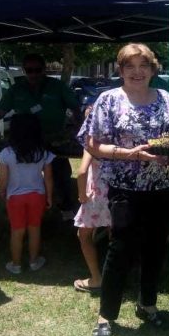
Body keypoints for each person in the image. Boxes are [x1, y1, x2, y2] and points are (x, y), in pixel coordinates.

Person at [77, 43, 169, 336]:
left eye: (143, 65)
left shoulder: (165, 99)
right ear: (120, 70)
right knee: (121, 250)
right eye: (129, 66)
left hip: (164, 186)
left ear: (152, 69)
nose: (137, 72)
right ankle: (106, 314)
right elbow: (92, 144)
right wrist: (131, 154)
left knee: (156, 247)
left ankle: (147, 304)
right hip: (126, 189)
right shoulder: (108, 100)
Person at [0, 54, 80, 220]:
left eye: (37, 70)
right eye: (29, 70)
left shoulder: (58, 86)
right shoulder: (16, 89)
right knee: (23, 176)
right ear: (24, 70)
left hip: (54, 139)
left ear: (44, 69)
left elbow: (75, 109)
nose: (33, 74)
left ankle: (66, 207)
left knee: (60, 174)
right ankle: (22, 205)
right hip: (25, 142)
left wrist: (78, 128)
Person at [0, 114, 55, 274]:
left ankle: (15, 264)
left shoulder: (6, 153)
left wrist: (2, 191)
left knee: (17, 230)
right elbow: (49, 178)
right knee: (34, 229)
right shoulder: (43, 152)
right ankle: (34, 261)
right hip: (37, 196)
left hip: (15, 197)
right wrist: (49, 196)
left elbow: (3, 178)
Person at [73, 109, 111, 293]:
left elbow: (81, 172)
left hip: (96, 197)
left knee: (84, 236)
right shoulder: (115, 139)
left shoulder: (91, 143)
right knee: (115, 236)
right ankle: (116, 276)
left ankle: (96, 278)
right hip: (116, 194)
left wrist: (81, 195)